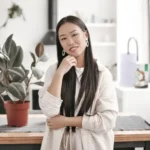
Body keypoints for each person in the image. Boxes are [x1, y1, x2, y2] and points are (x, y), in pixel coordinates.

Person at [39, 15, 118, 150]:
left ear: (85, 35)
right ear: (61, 44)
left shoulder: (102, 74)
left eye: (74, 34)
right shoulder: (54, 71)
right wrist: (60, 73)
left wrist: (66, 121)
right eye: (63, 38)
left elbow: (107, 120)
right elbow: (49, 111)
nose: (70, 42)